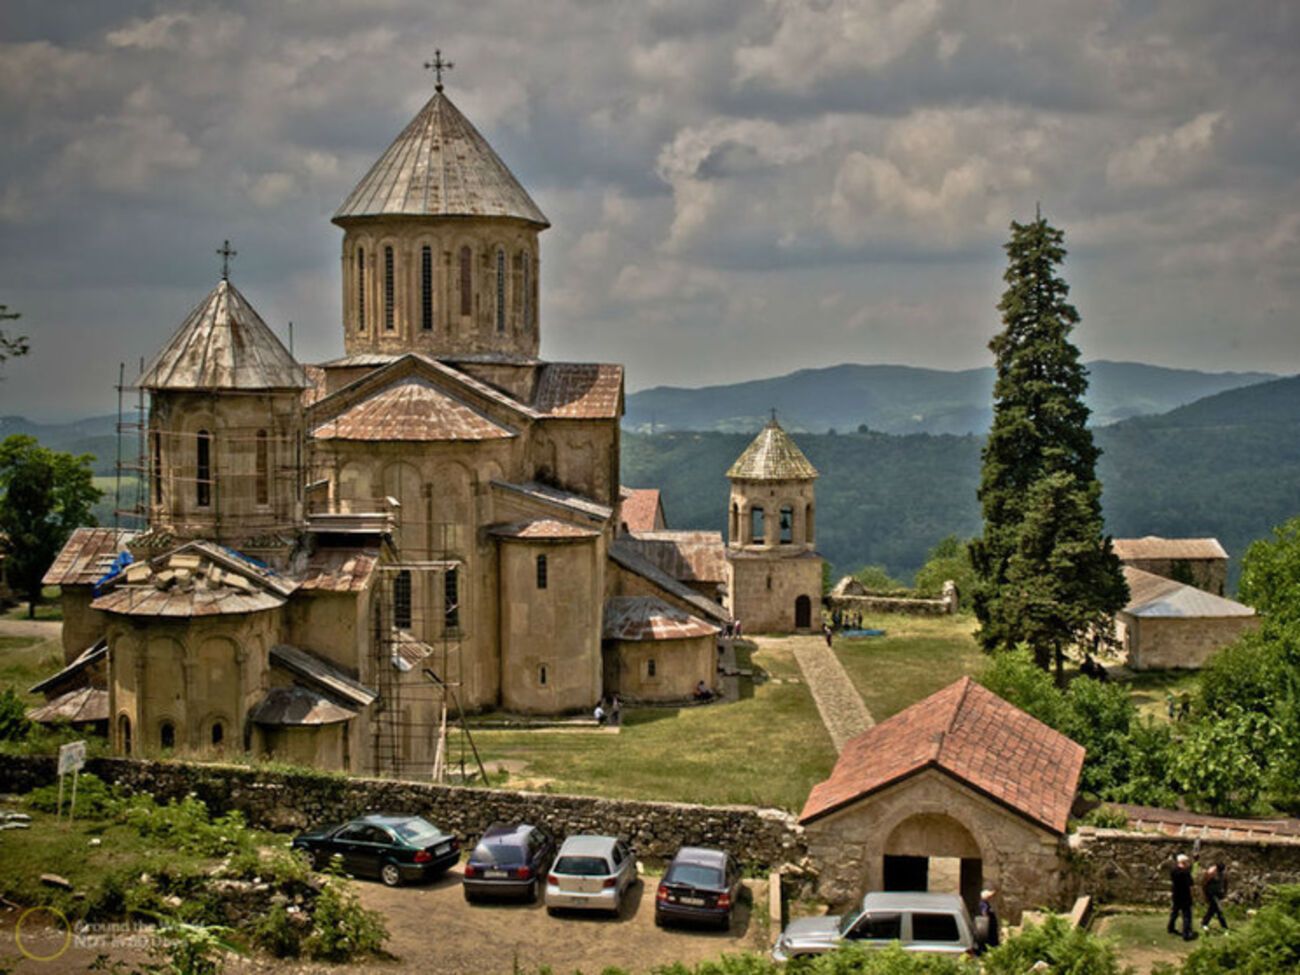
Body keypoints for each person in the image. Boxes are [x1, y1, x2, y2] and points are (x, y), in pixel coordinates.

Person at [1168, 853, 1195, 940]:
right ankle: (1186, 933)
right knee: (1187, 915)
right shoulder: (1186, 873)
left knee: (1174, 913)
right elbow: (1190, 885)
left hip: (1176, 895)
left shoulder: (1173, 871)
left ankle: (1170, 927)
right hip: (1185, 896)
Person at [1200, 862, 1229, 932]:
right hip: (1211, 895)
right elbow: (1204, 885)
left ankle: (1204, 923)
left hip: (1218, 894)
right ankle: (1225, 927)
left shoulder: (1222, 875)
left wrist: (1224, 893)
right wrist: (1206, 895)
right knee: (1219, 911)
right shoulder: (1212, 874)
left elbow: (1225, 884)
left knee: (1212, 910)